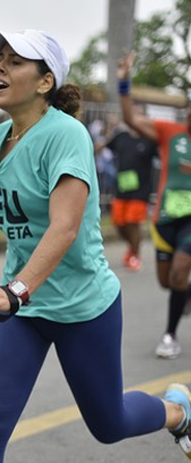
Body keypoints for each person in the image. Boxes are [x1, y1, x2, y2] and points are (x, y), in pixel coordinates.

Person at [0, 29, 191, 461]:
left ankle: (178, 413)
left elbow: (63, 229)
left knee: (109, 424)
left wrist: (15, 291)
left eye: (15, 61)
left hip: (82, 306)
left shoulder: (66, 135)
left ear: (46, 82)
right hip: (23, 312)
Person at [118, 51, 191, 359]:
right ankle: (185, 294)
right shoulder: (170, 132)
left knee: (178, 273)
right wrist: (124, 83)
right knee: (167, 282)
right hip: (164, 218)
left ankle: (169, 335)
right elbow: (130, 119)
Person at [103, 108, 158, 272]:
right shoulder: (121, 137)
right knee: (118, 223)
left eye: (140, 116)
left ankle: (135, 255)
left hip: (141, 191)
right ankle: (131, 247)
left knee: (133, 223)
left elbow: (163, 154)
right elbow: (105, 145)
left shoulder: (149, 140)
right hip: (122, 188)